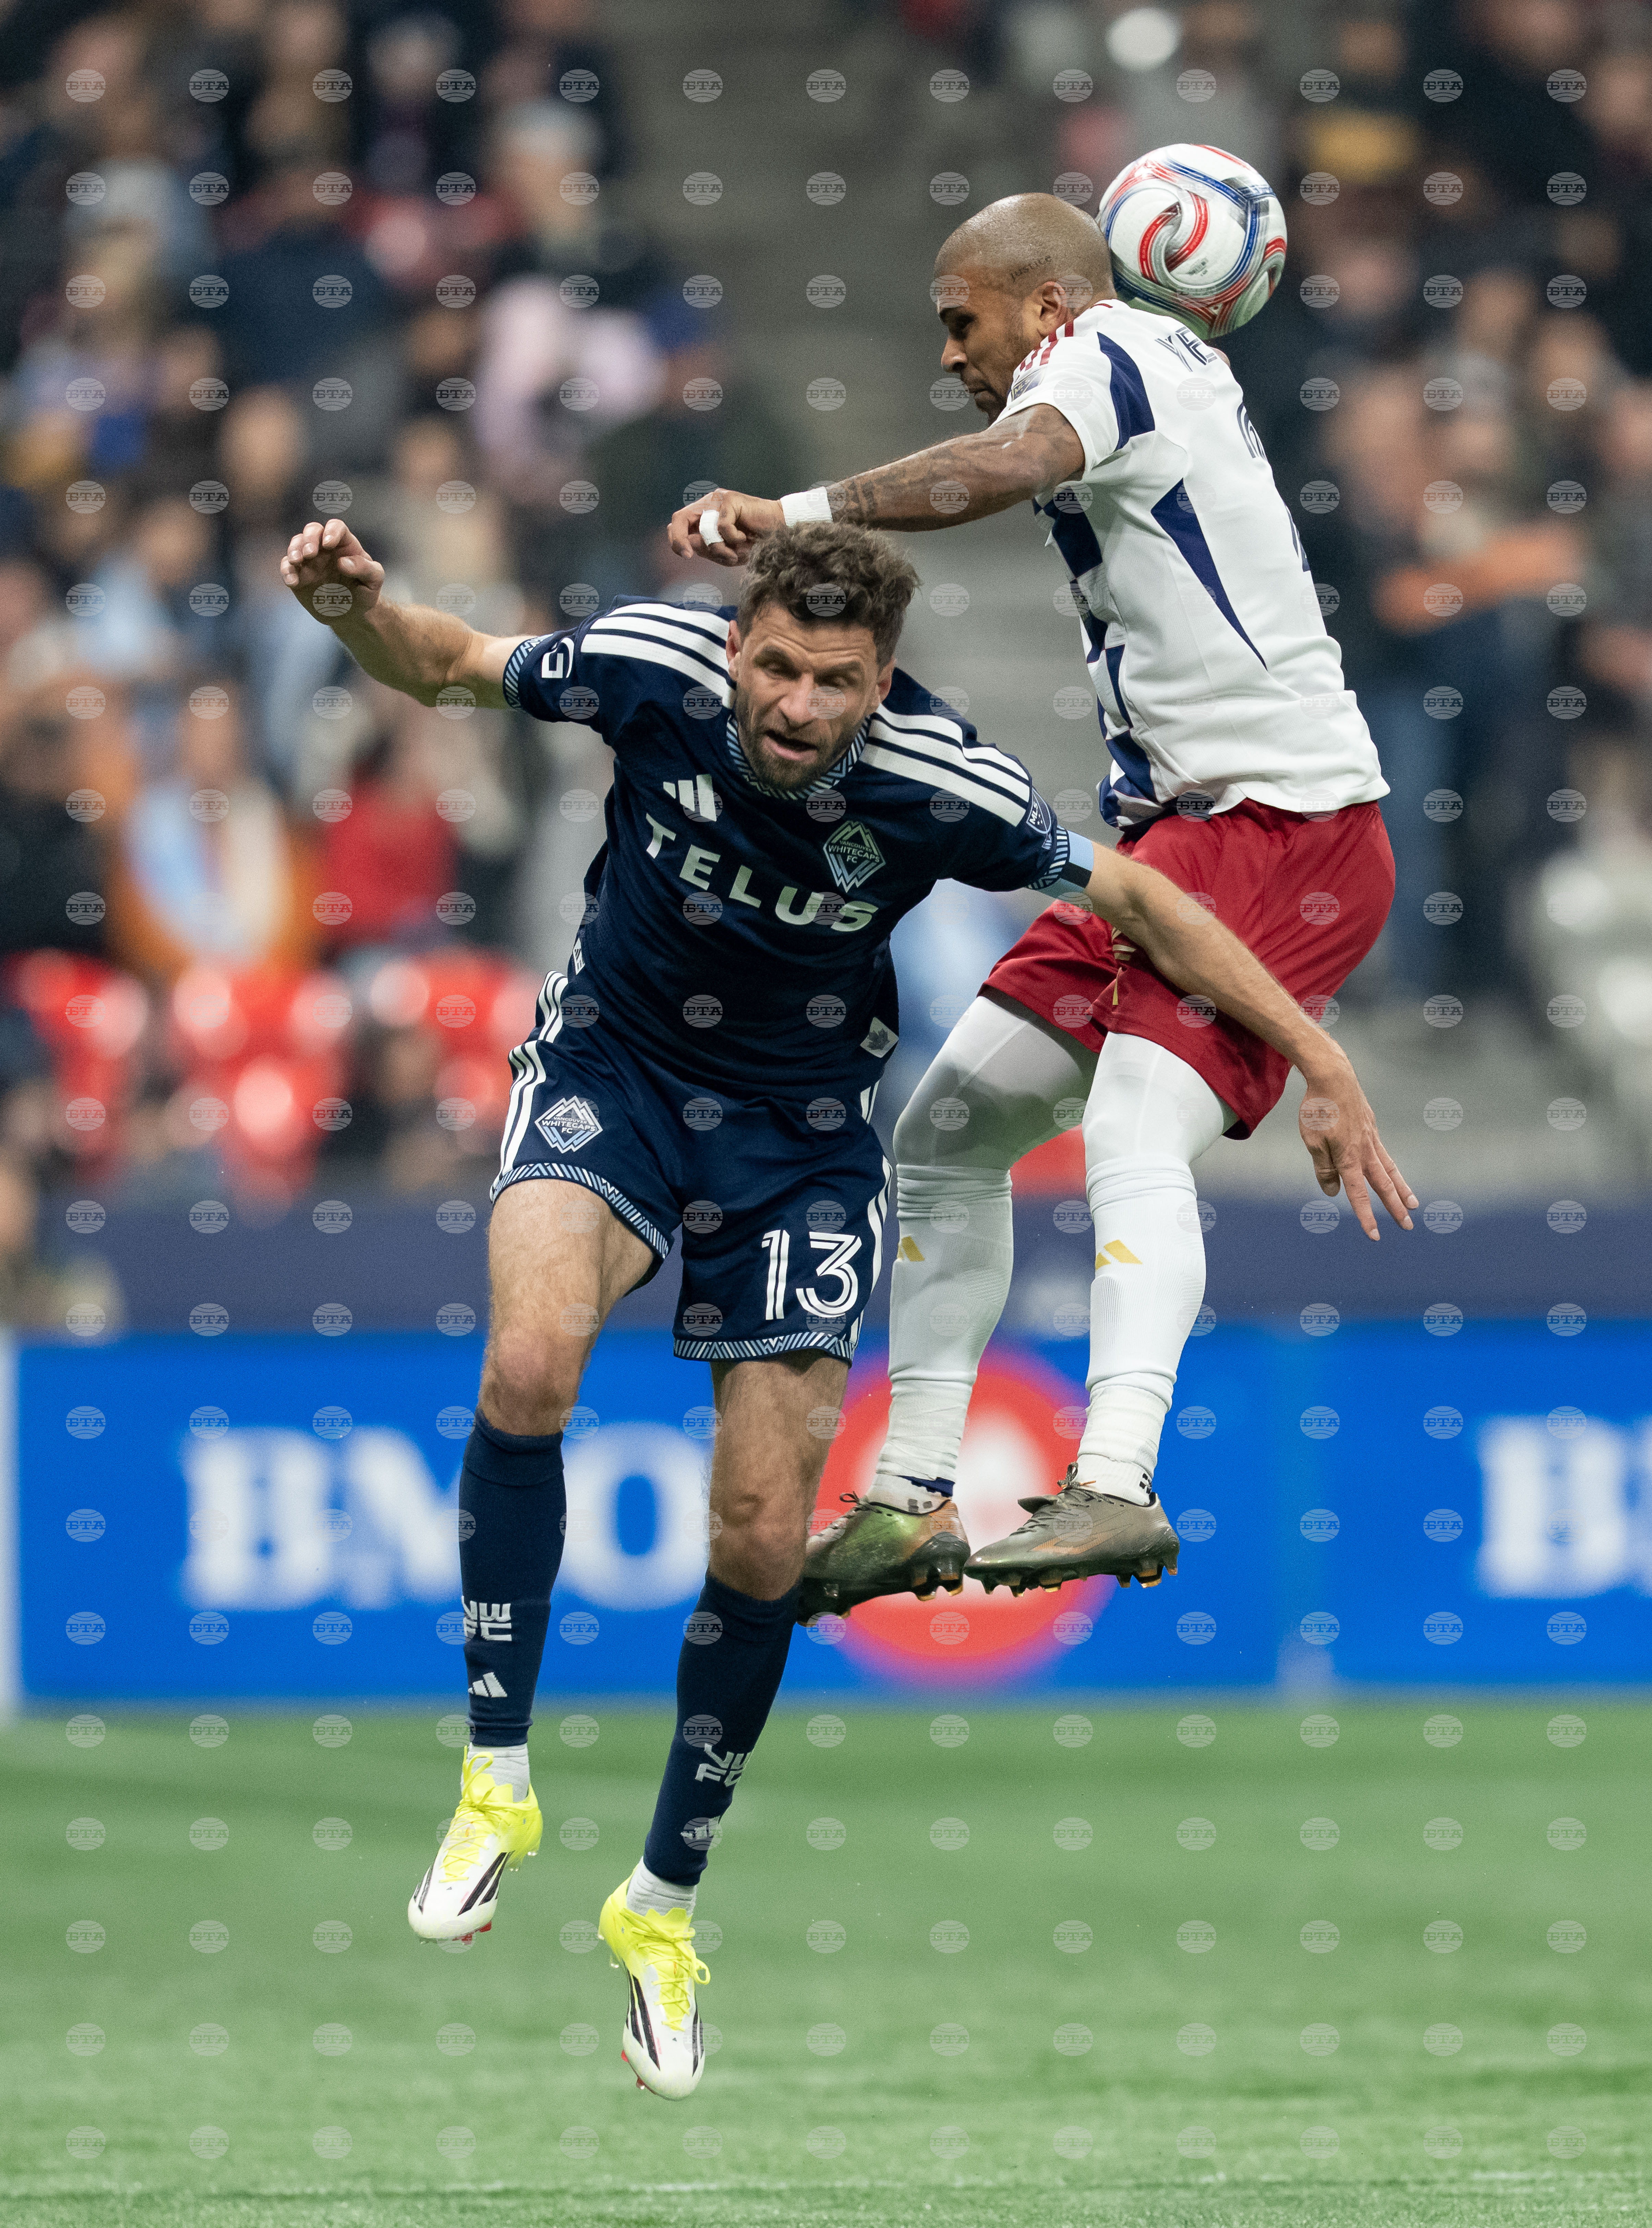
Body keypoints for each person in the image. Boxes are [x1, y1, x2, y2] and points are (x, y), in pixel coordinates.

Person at [280, 509, 1411, 2100]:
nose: (799, 705)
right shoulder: (647, 664)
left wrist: (1315, 1047)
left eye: (837, 681)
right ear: (736, 644)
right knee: (530, 1360)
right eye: (780, 667)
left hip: (802, 1145)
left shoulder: (942, 783)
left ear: (881, 685)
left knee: (757, 1539)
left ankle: (659, 1909)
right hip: (615, 1063)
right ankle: (494, 1779)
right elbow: (453, 666)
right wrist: (357, 609)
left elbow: (1146, 905)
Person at [665, 186, 1412, 1614]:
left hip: (1286, 823)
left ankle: (1116, 1483)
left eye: (964, 321)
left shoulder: (1112, 354)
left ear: (1048, 304)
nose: (949, 352)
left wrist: (793, 512)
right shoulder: (1147, 361)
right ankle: (906, 1499)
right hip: (1177, 840)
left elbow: (1002, 466)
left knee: (1133, 1123)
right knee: (946, 1129)